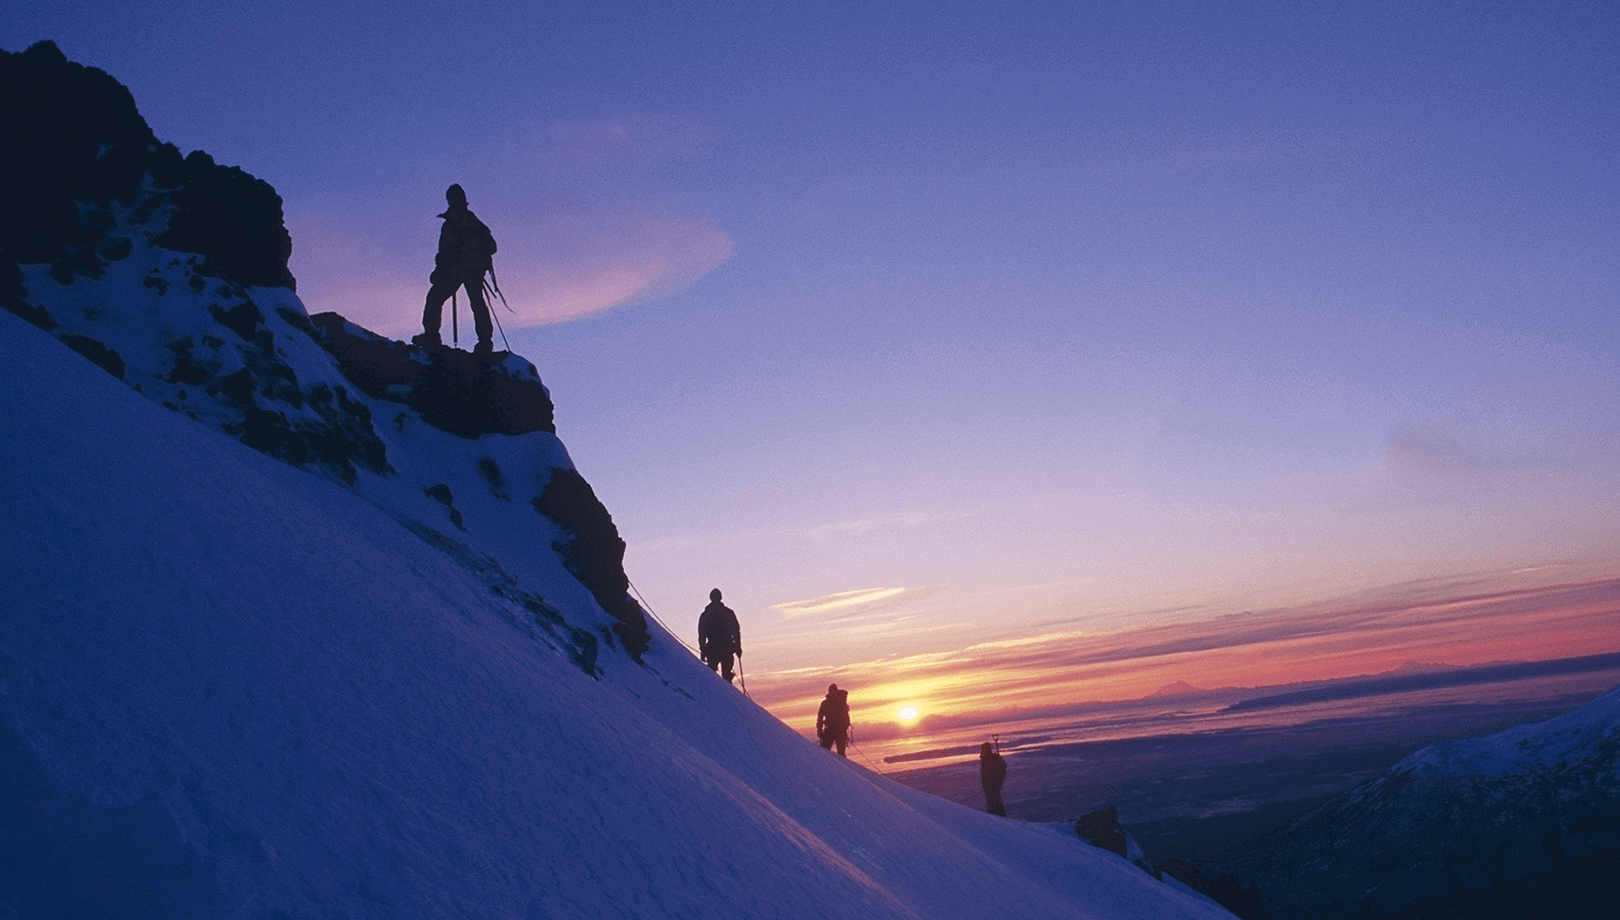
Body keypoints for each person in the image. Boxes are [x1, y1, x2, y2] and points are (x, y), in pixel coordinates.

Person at [415, 183, 497, 353]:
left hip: (466, 269)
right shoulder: (462, 221)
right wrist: (440, 268)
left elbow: (490, 246)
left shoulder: (467, 222)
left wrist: (448, 263)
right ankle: (483, 341)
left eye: (456, 197)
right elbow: (445, 251)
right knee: (471, 302)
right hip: (462, 269)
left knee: (443, 298)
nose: (454, 200)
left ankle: (433, 336)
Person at [697, 588, 742, 684]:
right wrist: (738, 647)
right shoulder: (728, 613)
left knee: (711, 675)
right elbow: (736, 631)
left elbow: (702, 634)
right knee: (726, 676)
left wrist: (702, 649)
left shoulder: (705, 615)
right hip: (726, 648)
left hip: (712, 648)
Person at [816, 684, 851, 757]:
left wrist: (819, 731)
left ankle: (825, 763)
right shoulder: (841, 701)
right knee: (841, 753)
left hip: (830, 729)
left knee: (825, 751)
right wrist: (846, 726)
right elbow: (845, 715)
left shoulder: (825, 703)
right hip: (840, 730)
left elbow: (820, 717)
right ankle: (841, 764)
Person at [979, 742, 1008, 816]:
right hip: (989, 785)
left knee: (994, 801)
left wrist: (997, 780)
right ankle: (996, 815)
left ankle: (998, 816)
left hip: (993, 785)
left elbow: (1002, 768)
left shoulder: (992, 758)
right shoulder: (986, 758)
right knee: (992, 800)